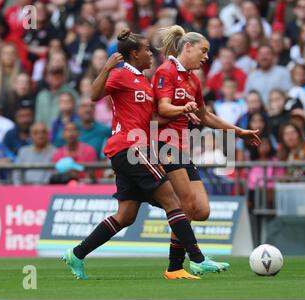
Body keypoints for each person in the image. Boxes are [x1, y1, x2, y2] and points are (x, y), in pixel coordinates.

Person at [63, 29, 227, 281]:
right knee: (174, 201)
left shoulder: (144, 82)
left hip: (131, 151)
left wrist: (184, 111)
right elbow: (94, 95)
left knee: (126, 215)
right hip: (130, 146)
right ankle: (196, 259)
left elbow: (153, 117)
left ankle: (77, 253)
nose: (151, 54)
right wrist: (107, 67)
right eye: (147, 50)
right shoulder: (119, 75)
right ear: (134, 54)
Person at [152, 25, 261, 276]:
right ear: (187, 47)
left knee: (200, 209)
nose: (206, 57)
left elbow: (205, 116)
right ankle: (184, 263)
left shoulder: (193, 80)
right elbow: (162, 109)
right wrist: (183, 109)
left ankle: (165, 208)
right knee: (186, 203)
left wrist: (238, 131)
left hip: (182, 148)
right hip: (164, 144)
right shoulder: (165, 71)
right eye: (203, 50)